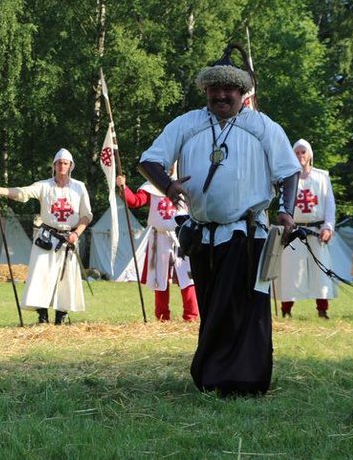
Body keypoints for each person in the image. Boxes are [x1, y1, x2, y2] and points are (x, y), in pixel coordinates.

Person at [138, 45, 300, 396]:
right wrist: (167, 185)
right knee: (213, 310)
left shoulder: (262, 126)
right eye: (214, 88)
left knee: (246, 312)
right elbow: (149, 160)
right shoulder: (187, 124)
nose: (221, 95)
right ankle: (212, 376)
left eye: (229, 89)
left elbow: (289, 172)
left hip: (249, 235)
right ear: (206, 91)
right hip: (203, 237)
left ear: (243, 93)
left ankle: (245, 380)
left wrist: (286, 211)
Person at [0, 148, 93, 325]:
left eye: (65, 163)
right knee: (41, 276)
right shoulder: (44, 186)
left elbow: (87, 215)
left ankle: (61, 316)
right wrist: (0, 190)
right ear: (54, 165)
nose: (62, 166)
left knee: (66, 279)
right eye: (59, 163)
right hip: (47, 238)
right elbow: (23, 193)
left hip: (69, 239)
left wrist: (76, 234)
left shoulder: (79, 187)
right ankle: (42, 316)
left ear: (71, 166)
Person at [115, 173, 199, 322]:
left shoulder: (185, 183)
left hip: (181, 235)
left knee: (187, 276)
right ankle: (162, 317)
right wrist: (123, 187)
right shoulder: (151, 186)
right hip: (159, 237)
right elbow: (135, 201)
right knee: (160, 278)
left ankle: (191, 316)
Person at [278, 139, 338, 319]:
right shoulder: (288, 178)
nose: (300, 156)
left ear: (310, 154)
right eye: (296, 152)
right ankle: (286, 309)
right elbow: (283, 203)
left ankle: (322, 309)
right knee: (291, 270)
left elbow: (330, 205)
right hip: (294, 231)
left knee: (320, 270)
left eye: (303, 152)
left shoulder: (322, 177)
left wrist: (328, 227)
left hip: (317, 231)